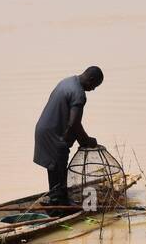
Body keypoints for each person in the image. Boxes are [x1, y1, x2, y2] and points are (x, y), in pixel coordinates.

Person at [34, 67, 103, 206]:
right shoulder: (79, 94)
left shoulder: (68, 81)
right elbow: (74, 123)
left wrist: (82, 139)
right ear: (91, 80)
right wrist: (87, 140)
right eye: (94, 86)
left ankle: (55, 200)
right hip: (54, 134)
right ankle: (59, 204)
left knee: (55, 170)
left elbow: (73, 123)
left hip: (43, 129)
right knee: (59, 168)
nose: (93, 89)